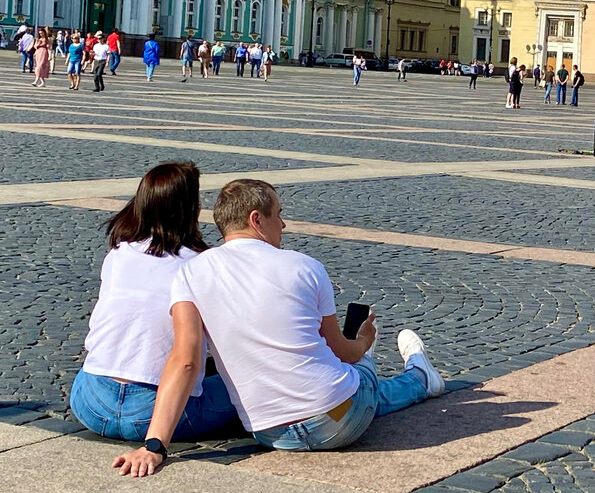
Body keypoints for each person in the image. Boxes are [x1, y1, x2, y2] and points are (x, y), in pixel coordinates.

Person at [111, 179, 444, 476]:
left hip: (269, 432)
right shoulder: (306, 267)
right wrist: (364, 343)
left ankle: (409, 375)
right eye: (279, 215)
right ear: (256, 220)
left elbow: (185, 360)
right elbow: (342, 352)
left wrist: (154, 445)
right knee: (364, 374)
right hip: (339, 419)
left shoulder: (189, 273)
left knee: (345, 378)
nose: (283, 224)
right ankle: (419, 376)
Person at [70, 162, 238, 443]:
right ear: (191, 210)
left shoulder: (119, 252)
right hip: (151, 414)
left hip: (90, 403)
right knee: (244, 386)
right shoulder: (202, 265)